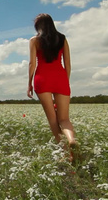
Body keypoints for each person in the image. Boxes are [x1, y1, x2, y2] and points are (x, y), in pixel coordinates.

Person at [27, 13, 77, 159]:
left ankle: (65, 152)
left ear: (38, 26)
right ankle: (71, 140)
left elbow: (32, 64)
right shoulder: (62, 38)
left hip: (42, 79)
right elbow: (68, 63)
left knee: (53, 120)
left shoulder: (34, 40)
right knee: (64, 119)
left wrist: (29, 83)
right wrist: (65, 80)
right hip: (60, 78)